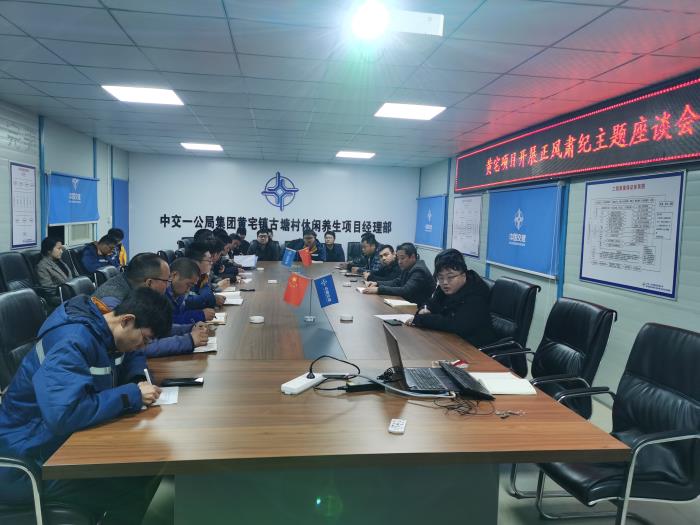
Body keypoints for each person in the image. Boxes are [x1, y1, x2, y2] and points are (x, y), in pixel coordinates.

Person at [0, 287, 171, 524]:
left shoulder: (104, 328)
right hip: (26, 461)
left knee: (144, 462)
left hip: (52, 443)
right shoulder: (72, 341)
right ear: (127, 320)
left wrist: (137, 379)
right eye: (145, 339)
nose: (143, 347)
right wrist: (131, 395)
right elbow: (64, 415)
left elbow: (131, 356)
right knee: (131, 478)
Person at [93, 252, 209, 356]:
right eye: (166, 281)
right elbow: (134, 347)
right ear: (149, 283)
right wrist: (188, 340)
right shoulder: (111, 300)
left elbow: (150, 329)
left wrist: (188, 329)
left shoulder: (137, 292)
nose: (169, 286)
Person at [408, 249, 495, 347]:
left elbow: (455, 324)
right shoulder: (446, 288)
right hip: (450, 340)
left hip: (475, 348)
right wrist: (424, 309)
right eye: (440, 277)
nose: (445, 282)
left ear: (463, 275)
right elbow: (431, 302)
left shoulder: (476, 293)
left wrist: (423, 319)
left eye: (450, 277)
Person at [363, 242, 436, 305]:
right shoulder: (408, 267)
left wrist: (379, 289)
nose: (399, 262)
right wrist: (377, 283)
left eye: (402, 258)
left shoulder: (419, 270)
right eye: (398, 258)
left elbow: (406, 290)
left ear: (413, 257)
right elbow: (396, 282)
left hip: (418, 308)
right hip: (406, 303)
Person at [167, 257, 216, 323]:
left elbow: (182, 312)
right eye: (188, 285)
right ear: (174, 275)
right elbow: (170, 322)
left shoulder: (178, 292)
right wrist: (200, 315)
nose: (188, 290)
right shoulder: (161, 294)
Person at [185, 242, 226, 309]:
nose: (211, 263)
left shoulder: (203, 276)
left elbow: (207, 290)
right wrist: (212, 299)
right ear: (196, 262)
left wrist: (210, 298)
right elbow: (188, 302)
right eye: (209, 260)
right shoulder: (185, 276)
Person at [36, 237, 76, 305]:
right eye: (58, 248)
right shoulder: (42, 266)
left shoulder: (60, 261)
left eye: (61, 249)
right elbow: (49, 289)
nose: (61, 251)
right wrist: (67, 290)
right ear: (49, 250)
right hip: (59, 297)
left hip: (71, 292)